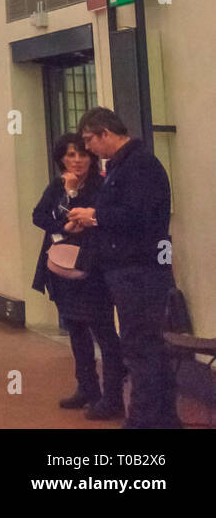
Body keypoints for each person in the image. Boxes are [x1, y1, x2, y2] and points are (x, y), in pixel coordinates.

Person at [66, 107, 180, 428]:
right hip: (130, 269)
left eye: (90, 139)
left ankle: (145, 421)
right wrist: (92, 214)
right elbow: (123, 210)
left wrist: (96, 217)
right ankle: (163, 419)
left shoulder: (140, 165)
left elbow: (138, 216)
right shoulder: (122, 166)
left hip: (141, 270)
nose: (87, 148)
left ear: (106, 132)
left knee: (141, 347)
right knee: (144, 345)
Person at [31, 132, 124, 414]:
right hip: (62, 266)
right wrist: (62, 223)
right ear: (61, 157)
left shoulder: (101, 184)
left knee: (104, 332)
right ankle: (86, 387)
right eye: (71, 155)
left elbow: (97, 218)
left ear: (91, 157)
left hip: (92, 268)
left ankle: (112, 397)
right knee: (75, 330)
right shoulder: (57, 185)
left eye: (82, 154)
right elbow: (39, 216)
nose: (77, 160)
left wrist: (72, 199)